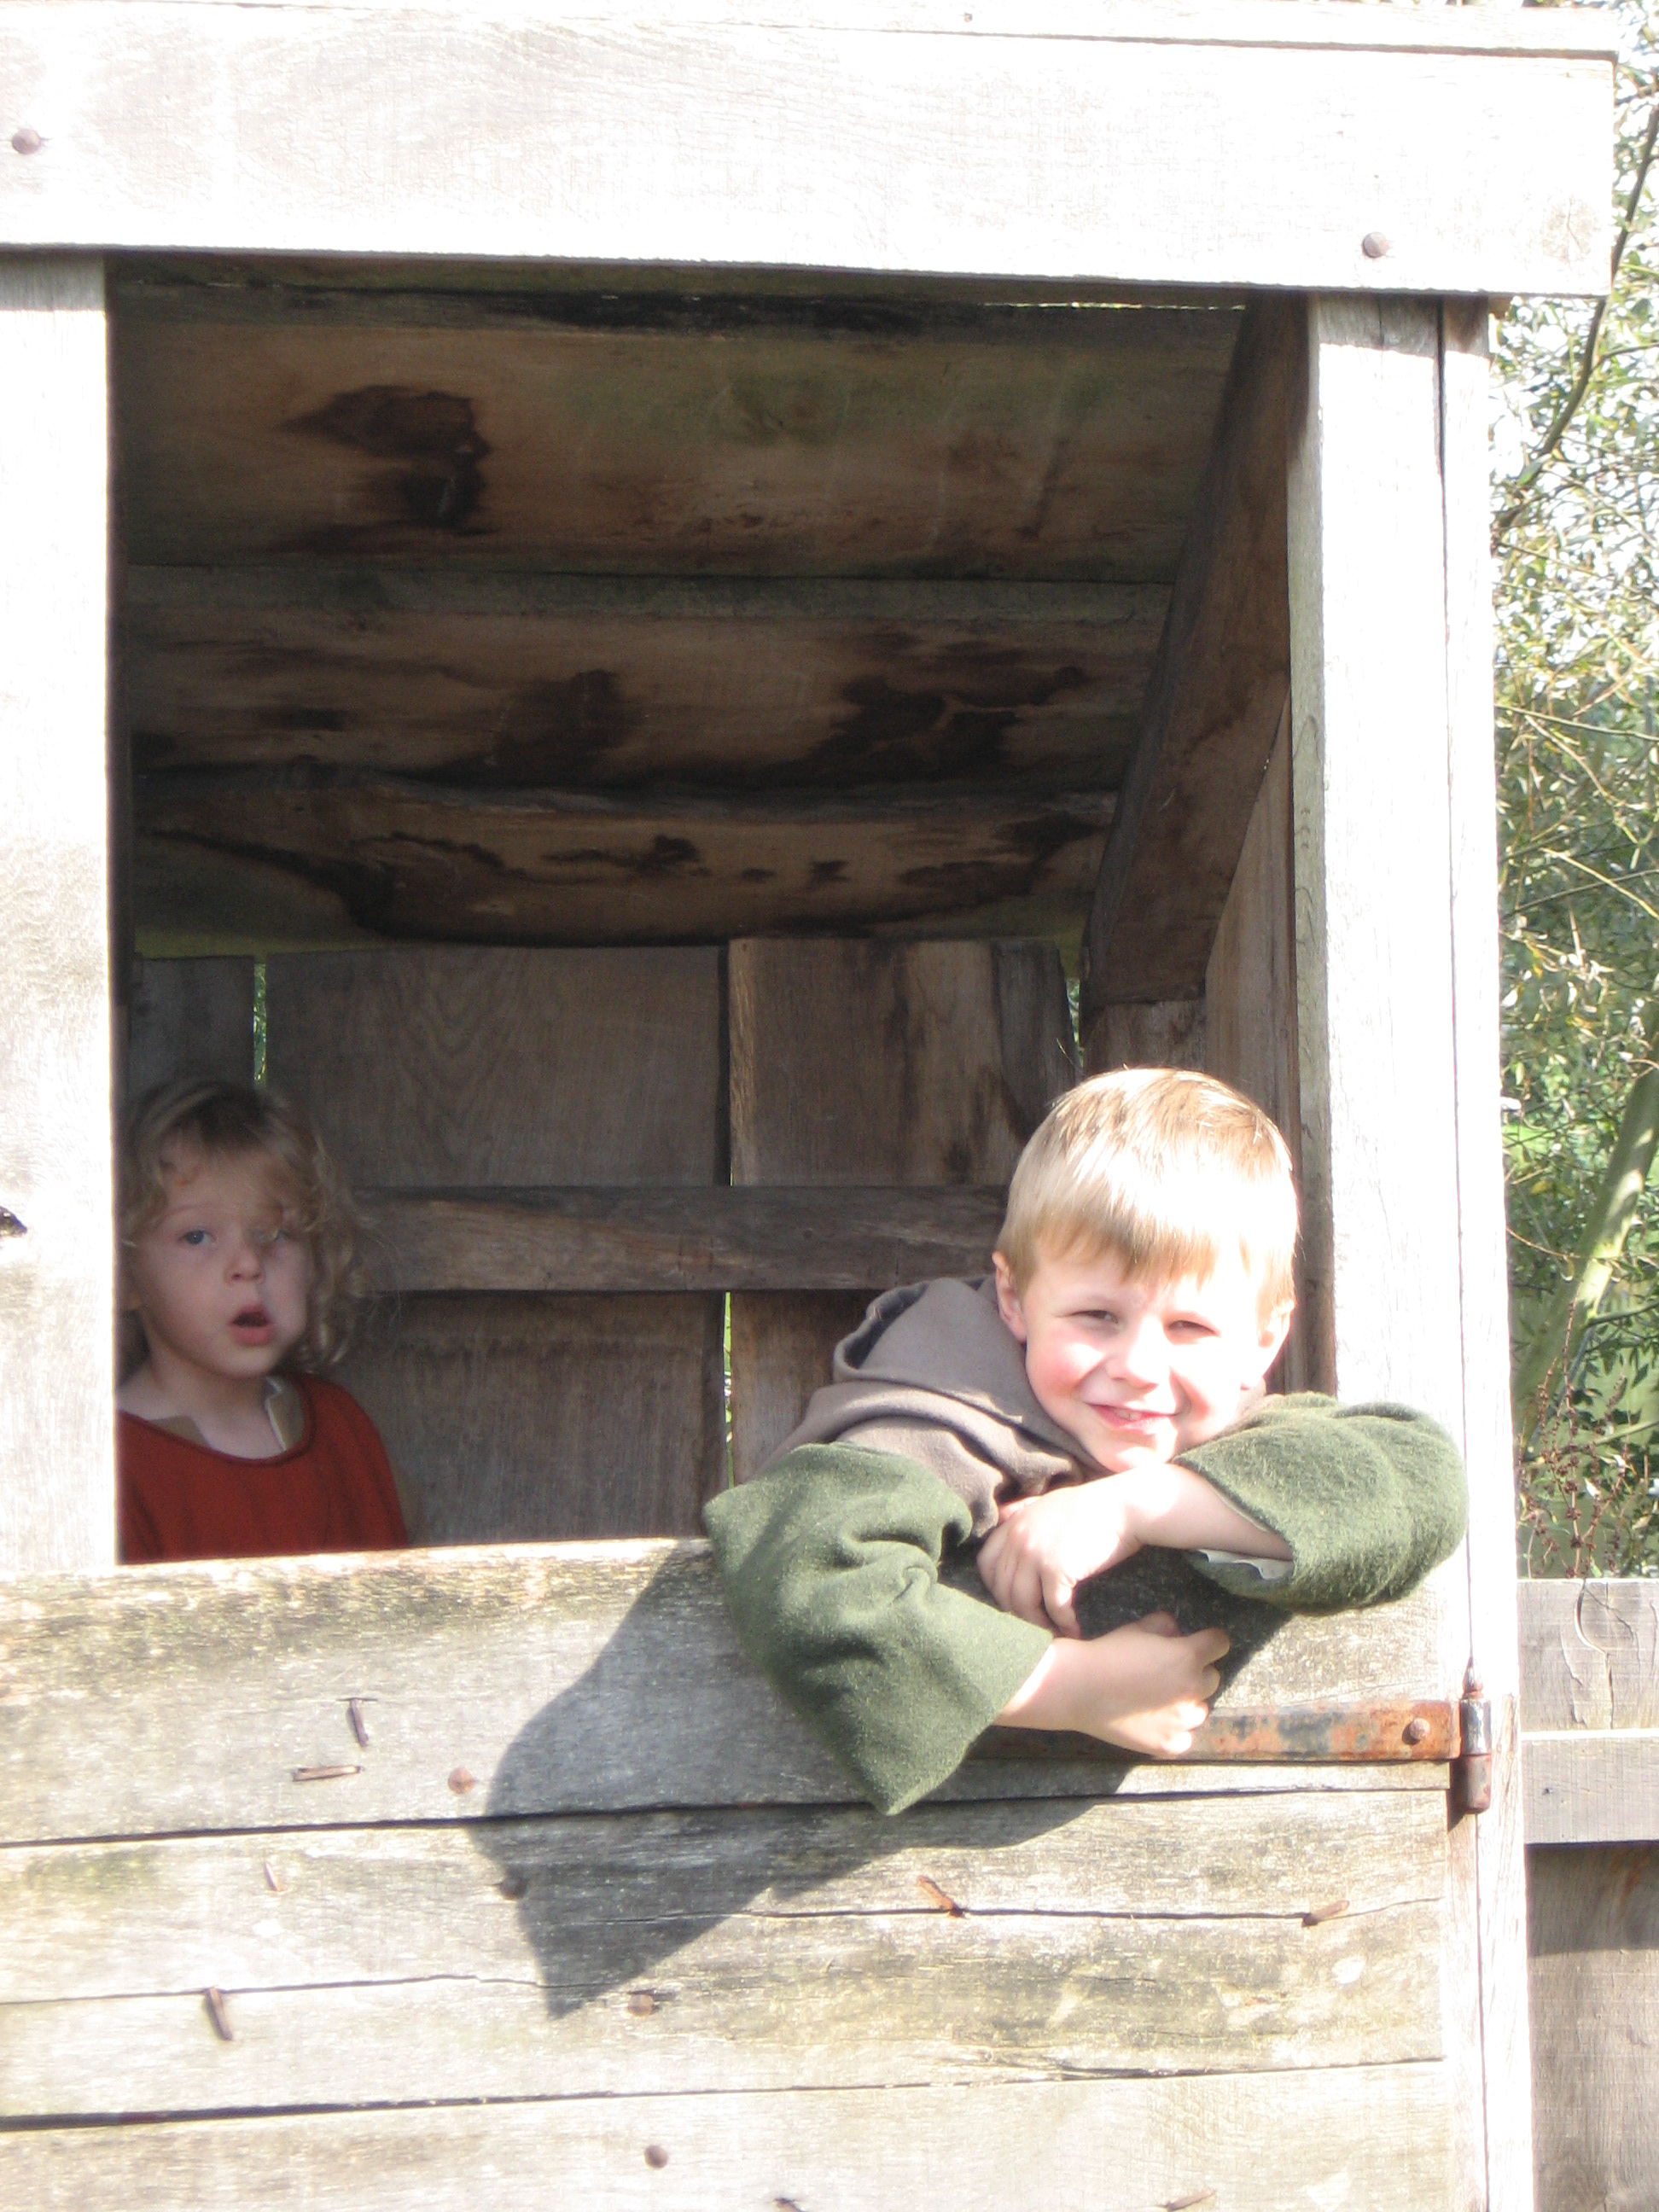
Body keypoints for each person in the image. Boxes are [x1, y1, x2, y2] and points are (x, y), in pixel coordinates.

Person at [705, 1068, 1467, 1813]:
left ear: (1264, 1340)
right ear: (1014, 1298)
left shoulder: (1238, 1428)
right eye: (1096, 1317)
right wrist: (1073, 1687)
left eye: (1190, 1327)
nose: (1138, 1367)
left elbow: (1422, 1481)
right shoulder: (934, 1419)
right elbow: (807, 1572)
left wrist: (1135, 1507)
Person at [117, 1080, 408, 1564]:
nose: (249, 1263)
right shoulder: (107, 1468)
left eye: (275, 1234)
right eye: (197, 1237)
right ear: (123, 1277)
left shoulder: (341, 1428)